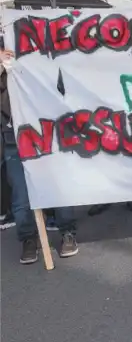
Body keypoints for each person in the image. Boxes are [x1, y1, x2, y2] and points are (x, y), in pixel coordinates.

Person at [1, 49, 78, 263]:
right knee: (21, 193)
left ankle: (67, 232)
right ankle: (28, 238)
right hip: (14, 132)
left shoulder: (45, 47)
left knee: (59, 184)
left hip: (50, 128)